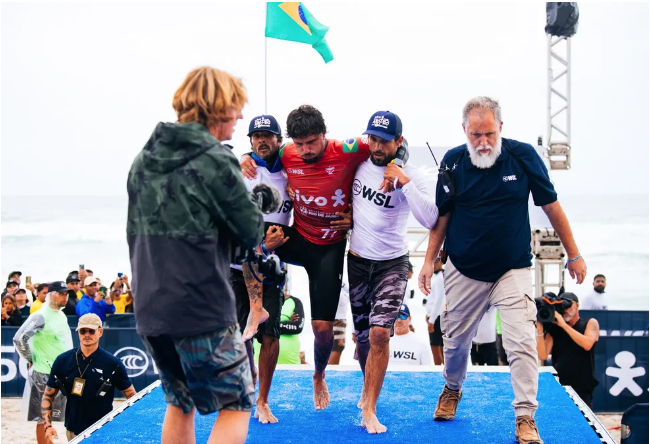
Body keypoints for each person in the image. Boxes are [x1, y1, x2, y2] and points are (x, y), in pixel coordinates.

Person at [419, 97, 587, 444]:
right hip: (464, 269)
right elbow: (443, 216)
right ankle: (452, 388)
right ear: (464, 130)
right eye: (476, 134)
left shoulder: (523, 156)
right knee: (455, 343)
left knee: (522, 341)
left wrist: (573, 254)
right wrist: (426, 260)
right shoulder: (452, 161)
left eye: (489, 134)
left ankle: (525, 415)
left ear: (501, 129)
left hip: (512, 268)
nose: (483, 142)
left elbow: (551, 206)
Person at [127, 66, 264, 444]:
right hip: (200, 305)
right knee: (237, 401)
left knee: (179, 399)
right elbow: (250, 232)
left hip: (152, 307)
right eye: (236, 108)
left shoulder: (145, 158)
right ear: (218, 108)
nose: (240, 117)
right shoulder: (215, 159)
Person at [240, 104, 377, 410]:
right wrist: (244, 157)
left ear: (324, 135)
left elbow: (392, 144)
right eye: (298, 144)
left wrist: (355, 214)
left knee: (322, 330)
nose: (304, 151)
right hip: (297, 238)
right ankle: (256, 308)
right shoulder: (287, 153)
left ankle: (318, 374)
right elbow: (259, 151)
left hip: (328, 249)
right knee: (252, 232)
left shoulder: (347, 149)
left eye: (311, 143)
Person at [347, 111, 437, 433]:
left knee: (380, 333)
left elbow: (431, 218)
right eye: (373, 138)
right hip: (357, 260)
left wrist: (404, 181)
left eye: (384, 140)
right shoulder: (357, 163)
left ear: (399, 142)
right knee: (361, 340)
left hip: (393, 263)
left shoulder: (410, 173)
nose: (377, 145)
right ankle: (366, 390)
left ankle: (370, 408)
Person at [229, 114, 292, 424]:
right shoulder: (241, 172)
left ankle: (263, 401)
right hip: (235, 266)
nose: (262, 140)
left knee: (270, 336)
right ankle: (247, 388)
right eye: (256, 136)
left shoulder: (291, 174)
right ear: (250, 141)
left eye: (269, 135)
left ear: (280, 140)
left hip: (273, 268)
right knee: (239, 339)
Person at [41, 313, 137, 443]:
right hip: (73, 430)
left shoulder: (113, 364)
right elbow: (48, 395)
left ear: (100, 332)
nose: (87, 334)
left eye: (91, 331)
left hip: (104, 430)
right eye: (83, 331)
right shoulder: (63, 360)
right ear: (78, 333)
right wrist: (48, 426)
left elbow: (132, 397)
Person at [13, 281, 72, 444]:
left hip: (61, 373)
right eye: (61, 294)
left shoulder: (61, 315)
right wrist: (32, 359)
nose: (65, 297)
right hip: (43, 373)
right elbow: (19, 339)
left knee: (52, 417)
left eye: (66, 294)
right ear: (51, 295)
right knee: (42, 418)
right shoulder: (41, 315)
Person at [536, 292, 599, 408]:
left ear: (577, 305)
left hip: (582, 384)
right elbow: (542, 355)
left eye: (568, 305)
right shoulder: (555, 328)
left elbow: (587, 344)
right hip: (560, 383)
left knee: (582, 421)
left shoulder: (590, 323)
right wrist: (539, 328)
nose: (566, 310)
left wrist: (564, 325)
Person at [424, 254, 445, 365]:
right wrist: (428, 314)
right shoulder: (435, 277)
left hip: (437, 317)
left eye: (436, 261)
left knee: (435, 345)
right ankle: (443, 371)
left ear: (440, 262)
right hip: (435, 315)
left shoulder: (440, 278)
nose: (434, 264)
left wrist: (431, 320)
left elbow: (439, 300)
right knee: (440, 345)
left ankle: (439, 370)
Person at [277, 292, 305, 364]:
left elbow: (297, 327)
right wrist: (288, 322)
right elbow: (255, 329)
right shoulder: (259, 301)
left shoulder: (296, 302)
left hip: (291, 364)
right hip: (260, 363)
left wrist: (269, 327)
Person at [329, 279, 349, 365]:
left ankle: (328, 370)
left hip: (340, 318)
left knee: (338, 347)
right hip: (336, 319)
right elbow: (341, 300)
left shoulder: (344, 280)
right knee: (337, 346)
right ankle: (329, 371)